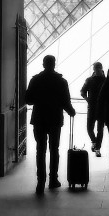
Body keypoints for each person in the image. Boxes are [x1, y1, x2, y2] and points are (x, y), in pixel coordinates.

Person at [25, 55, 76, 195]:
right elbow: (66, 101)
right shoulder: (61, 81)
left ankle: (40, 182)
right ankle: (53, 179)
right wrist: (71, 111)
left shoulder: (35, 80)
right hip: (55, 118)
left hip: (39, 118)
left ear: (43, 64)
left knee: (40, 150)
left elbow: (28, 100)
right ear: (54, 64)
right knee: (54, 149)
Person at [80, 61, 106, 156]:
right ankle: (97, 146)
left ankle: (95, 144)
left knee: (90, 128)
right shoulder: (105, 80)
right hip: (101, 108)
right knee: (99, 129)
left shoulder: (89, 80)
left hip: (93, 107)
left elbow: (82, 92)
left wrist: (88, 100)